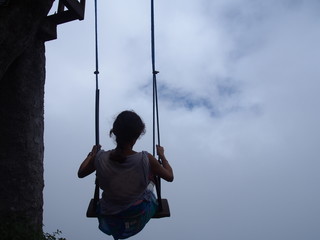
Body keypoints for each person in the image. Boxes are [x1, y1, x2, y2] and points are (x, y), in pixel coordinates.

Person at [78, 110, 174, 240]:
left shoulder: (100, 157)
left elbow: (81, 173)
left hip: (110, 218)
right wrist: (162, 156)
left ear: (115, 132)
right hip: (136, 215)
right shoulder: (145, 158)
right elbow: (169, 176)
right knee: (151, 177)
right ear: (138, 134)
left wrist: (91, 155)